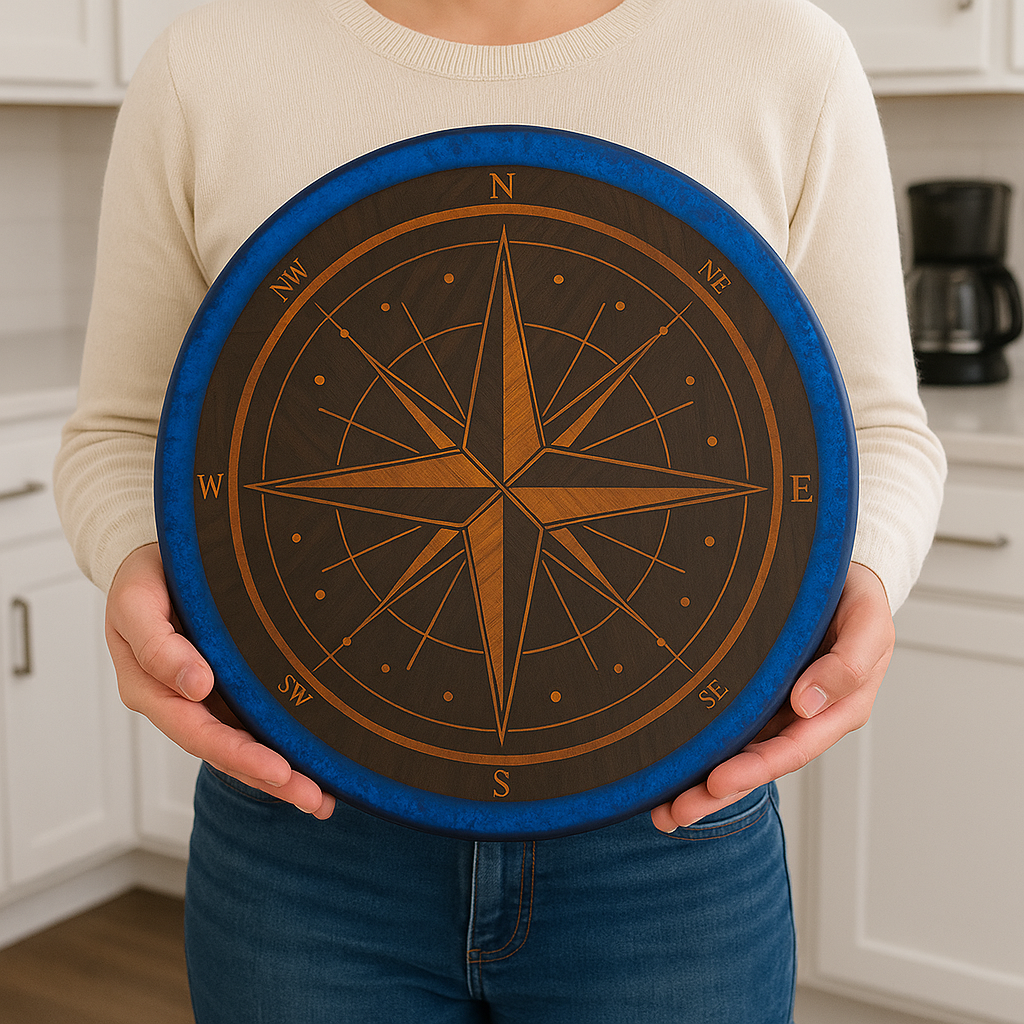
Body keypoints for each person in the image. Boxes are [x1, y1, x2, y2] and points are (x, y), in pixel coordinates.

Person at [54, 0, 946, 1020]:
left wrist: (865, 576)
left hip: (668, 848)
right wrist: (133, 564)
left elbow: (876, 428)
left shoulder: (783, 54)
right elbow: (119, 432)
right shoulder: (204, 67)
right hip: (303, 843)